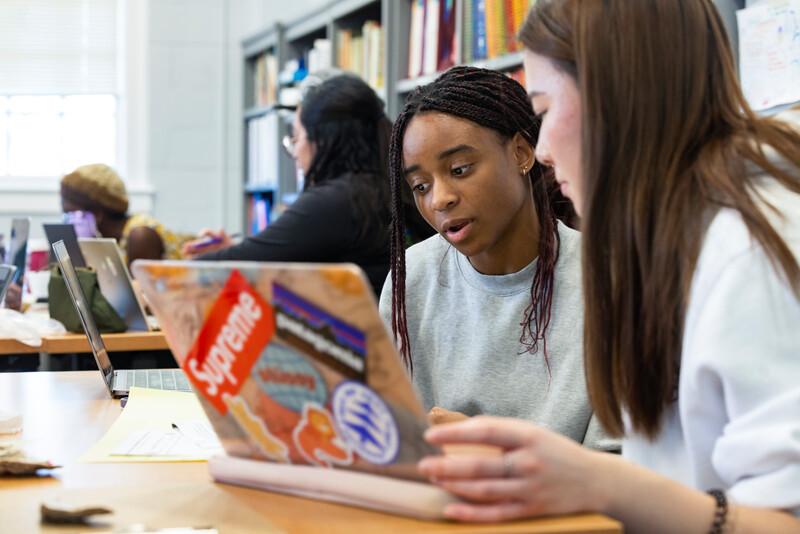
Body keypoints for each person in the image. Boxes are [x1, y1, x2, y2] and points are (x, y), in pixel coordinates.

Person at [416, 1, 800, 530]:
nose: (544, 150)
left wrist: (596, 481)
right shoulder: (659, 240)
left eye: (546, 110)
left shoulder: (751, 248)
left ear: (615, 98)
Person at [379, 66, 616, 450]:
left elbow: (624, 465)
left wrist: (493, 454)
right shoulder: (412, 277)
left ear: (522, 153)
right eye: (420, 186)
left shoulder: (609, 279)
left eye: (459, 169)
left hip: (568, 509)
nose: (439, 199)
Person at [187, 73, 432, 297]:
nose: (294, 152)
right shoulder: (395, 187)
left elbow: (215, 269)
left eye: (296, 137)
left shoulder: (337, 201)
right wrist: (238, 248)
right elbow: (269, 255)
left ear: (324, 141)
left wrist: (211, 256)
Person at [60, 164, 191, 264]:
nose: (68, 218)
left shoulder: (141, 236)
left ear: (97, 214)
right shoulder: (109, 239)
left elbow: (139, 296)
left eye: (70, 212)